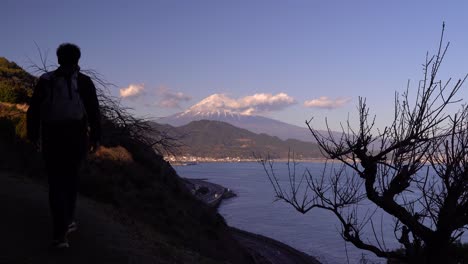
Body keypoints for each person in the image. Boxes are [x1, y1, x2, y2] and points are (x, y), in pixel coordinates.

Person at [27, 43, 101, 249]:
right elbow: (94, 112)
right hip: (76, 137)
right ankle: (66, 222)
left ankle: (60, 232)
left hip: (52, 136)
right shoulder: (85, 82)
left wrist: (32, 136)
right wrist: (96, 137)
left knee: (55, 182)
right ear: (78, 60)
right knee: (70, 180)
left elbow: (33, 110)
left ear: (58, 59)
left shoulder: (46, 80)